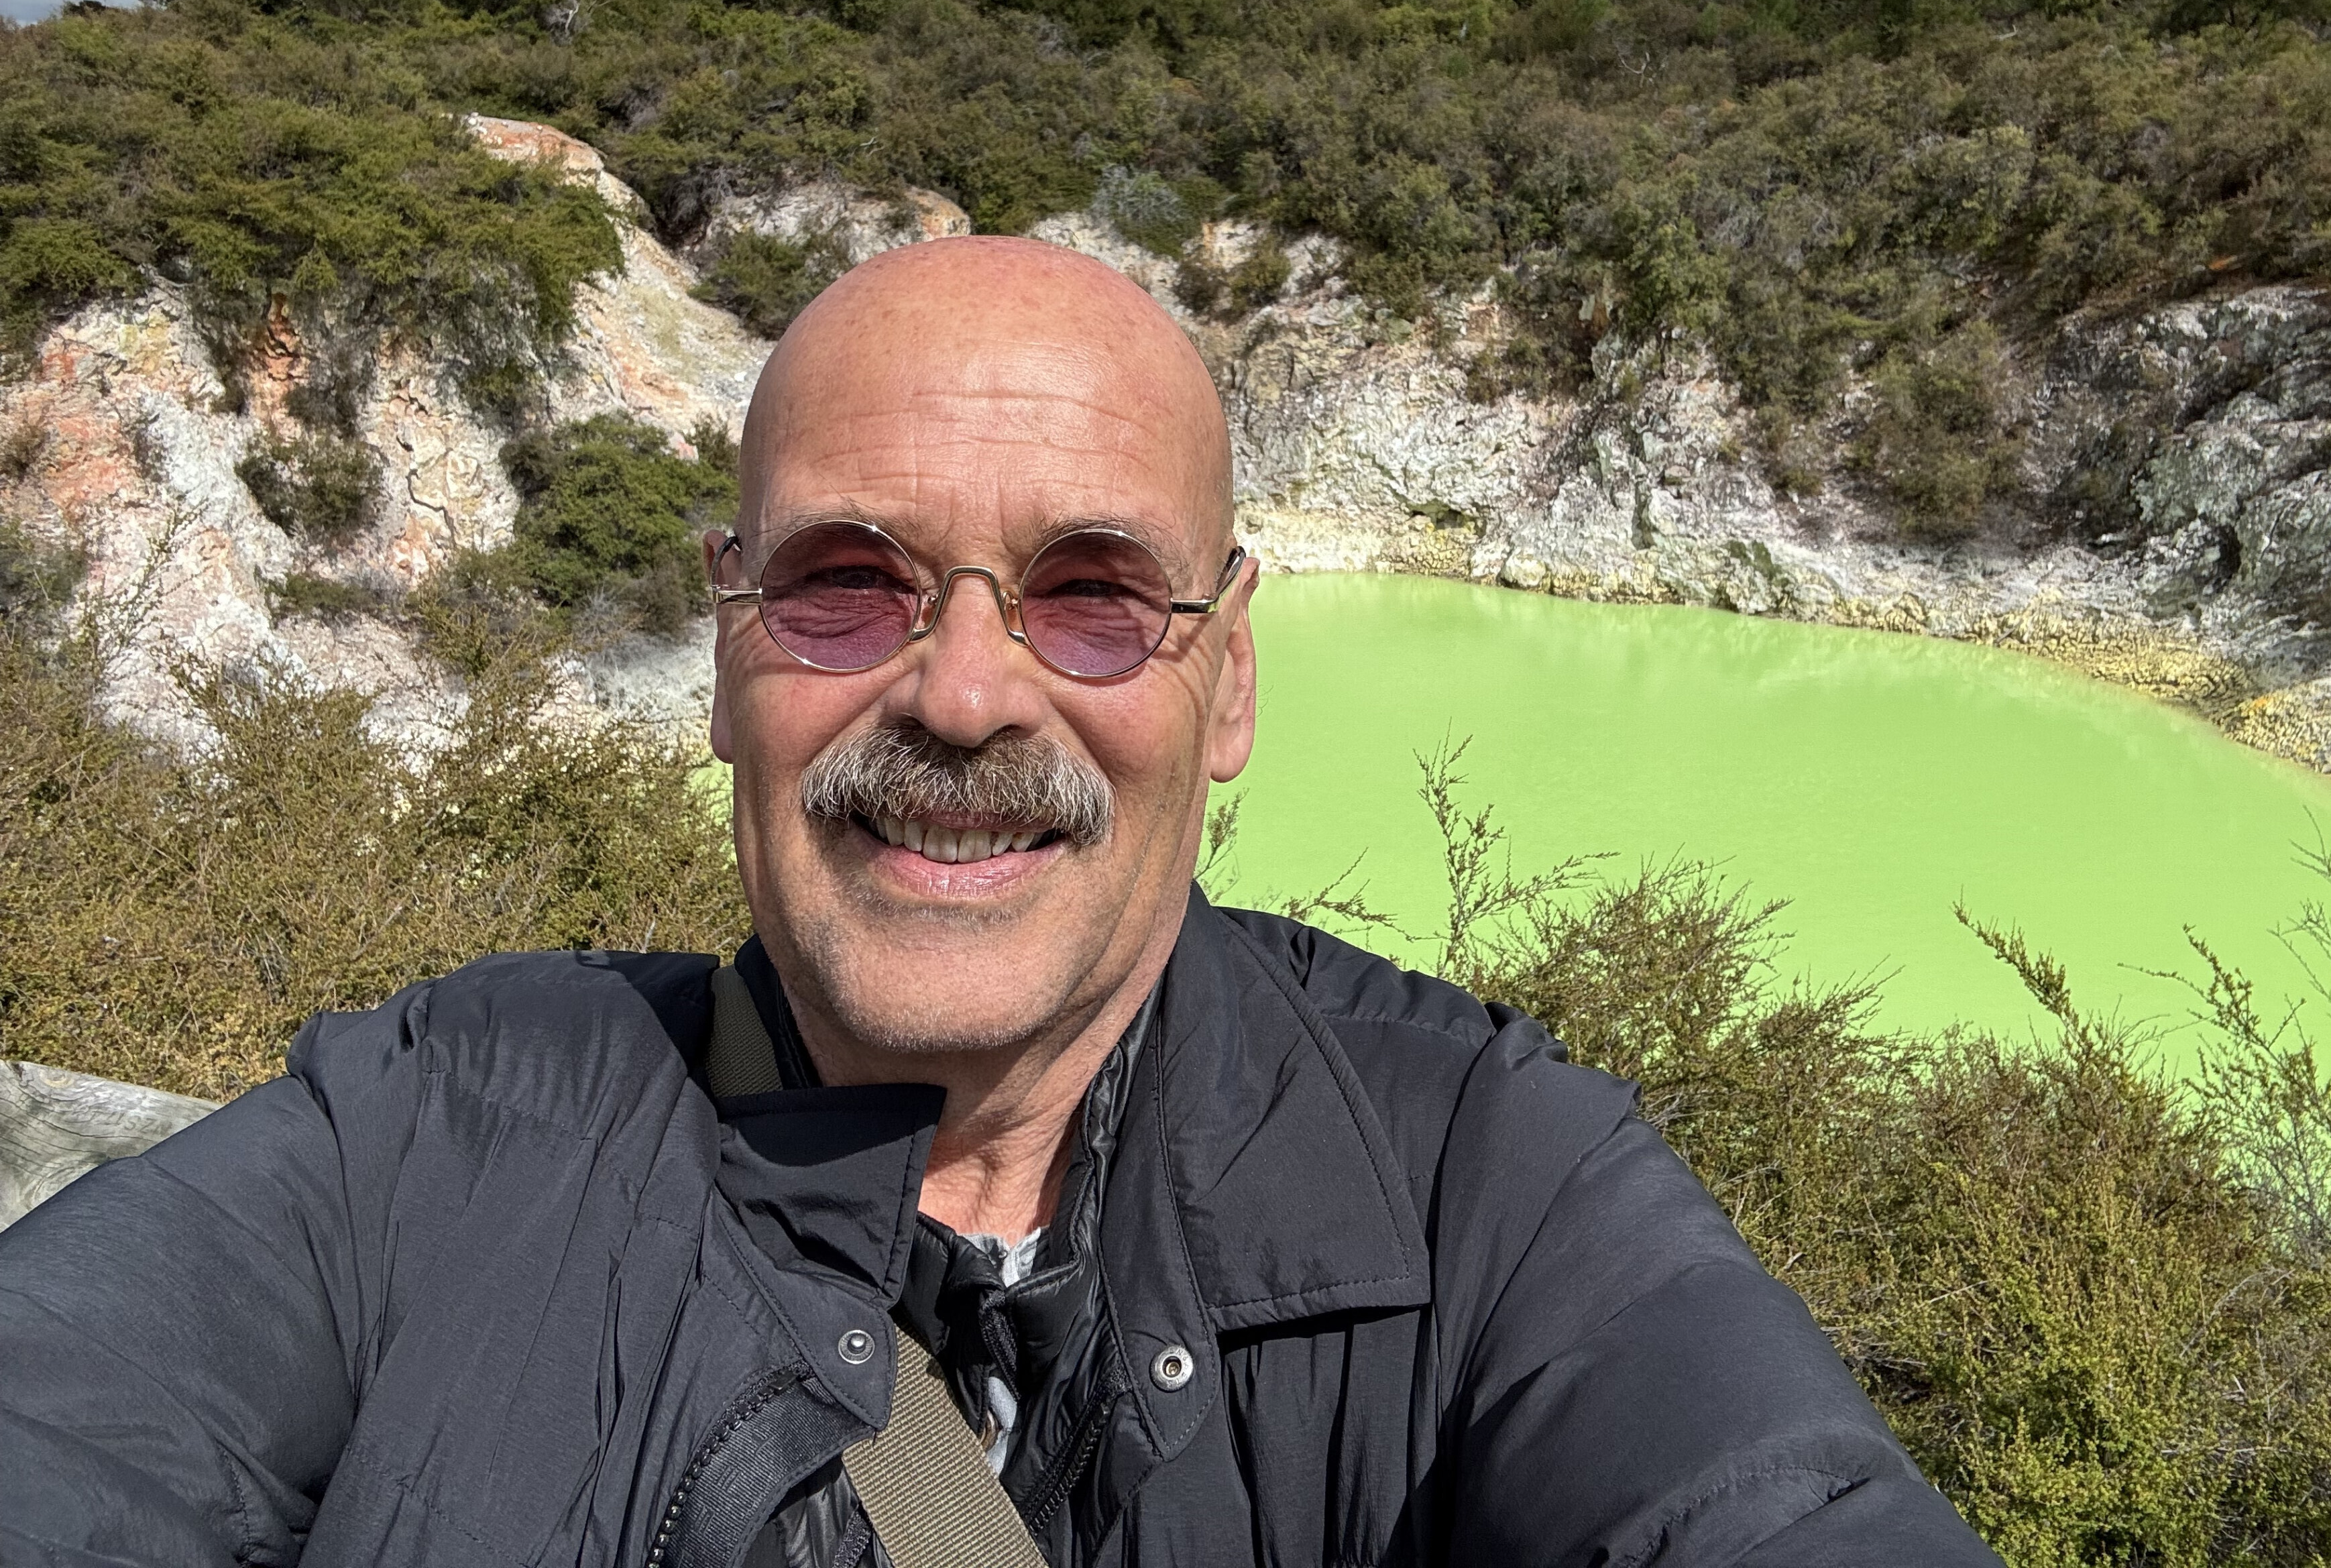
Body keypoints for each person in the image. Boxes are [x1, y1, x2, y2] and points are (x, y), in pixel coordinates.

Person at [0, 238, 1999, 1566]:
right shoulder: (430, 1135)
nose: (962, 693)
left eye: (1092, 597)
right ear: (725, 659)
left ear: (1228, 681)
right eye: (844, 580)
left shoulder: (1485, 1180)